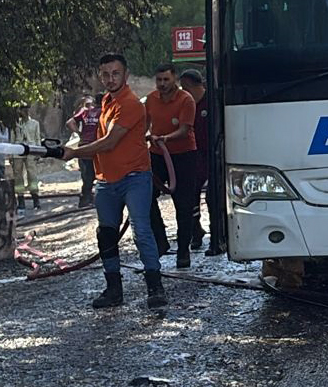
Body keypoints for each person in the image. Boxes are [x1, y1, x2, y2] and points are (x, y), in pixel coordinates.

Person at [61, 53, 165, 309]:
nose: (110, 79)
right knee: (106, 233)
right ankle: (113, 289)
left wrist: (74, 152)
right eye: (105, 74)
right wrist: (79, 132)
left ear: (126, 75)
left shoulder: (130, 103)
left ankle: (155, 286)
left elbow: (109, 142)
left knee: (141, 230)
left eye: (115, 73)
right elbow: (93, 132)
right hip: (106, 180)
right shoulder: (104, 102)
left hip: (135, 177)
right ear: (100, 76)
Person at [145, 63, 200, 268]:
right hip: (157, 155)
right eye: (159, 80)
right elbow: (144, 124)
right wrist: (146, 138)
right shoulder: (151, 99)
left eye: (166, 80)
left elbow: (186, 129)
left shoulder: (186, 100)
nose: (162, 84)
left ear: (174, 79)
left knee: (183, 204)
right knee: (145, 196)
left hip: (183, 155)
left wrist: (165, 138)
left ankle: (183, 250)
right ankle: (160, 240)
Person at [179, 69, 226, 256]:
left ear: (193, 86)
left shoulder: (212, 102)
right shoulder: (185, 105)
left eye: (185, 87)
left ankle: (217, 238)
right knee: (190, 197)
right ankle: (195, 232)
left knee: (213, 198)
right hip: (193, 155)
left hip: (213, 154)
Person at [67, 95, 100, 208]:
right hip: (96, 146)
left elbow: (70, 122)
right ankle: (87, 199)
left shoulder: (85, 112)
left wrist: (79, 133)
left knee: (86, 175)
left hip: (83, 146)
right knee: (96, 174)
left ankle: (86, 198)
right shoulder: (104, 112)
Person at [10, 104, 42, 210]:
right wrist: (11, 155)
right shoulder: (15, 124)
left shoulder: (35, 123)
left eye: (27, 109)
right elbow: (12, 139)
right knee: (18, 175)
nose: (25, 111)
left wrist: (39, 152)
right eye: (23, 109)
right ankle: (21, 200)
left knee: (32, 174)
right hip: (18, 150)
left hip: (31, 150)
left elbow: (37, 138)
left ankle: (35, 199)